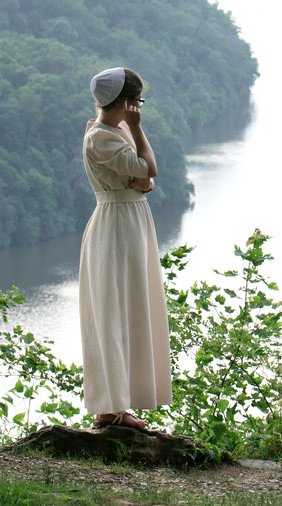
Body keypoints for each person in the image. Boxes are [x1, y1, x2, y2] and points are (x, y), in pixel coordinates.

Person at [79, 67, 172, 430]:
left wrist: (141, 176)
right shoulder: (101, 137)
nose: (139, 109)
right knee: (113, 311)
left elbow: (144, 180)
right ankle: (109, 407)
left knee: (132, 307)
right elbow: (149, 169)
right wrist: (137, 129)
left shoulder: (112, 132)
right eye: (137, 102)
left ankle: (122, 402)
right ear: (128, 103)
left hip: (131, 219)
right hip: (116, 222)